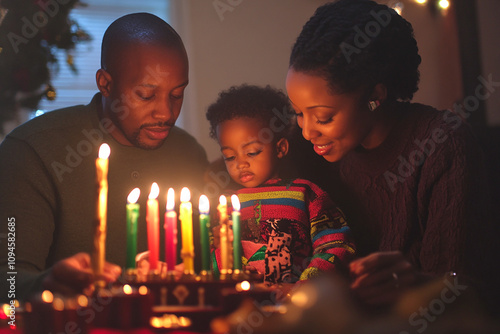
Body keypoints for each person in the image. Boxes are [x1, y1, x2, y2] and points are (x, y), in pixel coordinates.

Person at [285, 0, 498, 312]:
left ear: (375, 96)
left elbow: (469, 293)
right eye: (298, 114)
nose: (307, 131)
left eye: (323, 117)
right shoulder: (307, 152)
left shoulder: (443, 145)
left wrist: (414, 283)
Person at [0, 13, 208, 302]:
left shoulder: (189, 155)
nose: (166, 113)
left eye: (177, 94)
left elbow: (206, 270)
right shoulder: (32, 151)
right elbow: (7, 281)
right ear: (105, 83)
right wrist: (47, 284)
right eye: (146, 95)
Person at [205, 84, 356, 287]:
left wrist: (306, 287)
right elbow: (211, 259)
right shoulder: (224, 206)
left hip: (299, 305)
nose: (241, 164)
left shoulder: (304, 194)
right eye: (230, 157)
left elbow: (336, 243)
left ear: (280, 148)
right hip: (240, 303)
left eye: (252, 152)